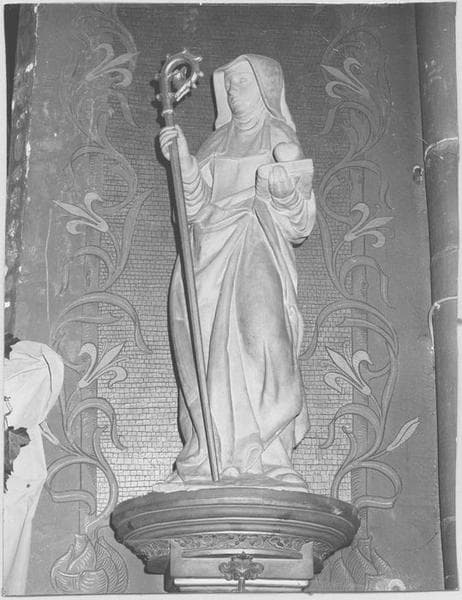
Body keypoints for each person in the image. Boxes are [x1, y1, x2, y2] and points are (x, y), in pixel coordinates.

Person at [159, 54, 316, 486]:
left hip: (256, 245)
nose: (233, 91)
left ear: (266, 87)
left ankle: (271, 457)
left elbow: (300, 222)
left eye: (243, 82)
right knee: (207, 351)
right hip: (206, 255)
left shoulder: (281, 139)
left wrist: (283, 190)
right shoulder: (217, 142)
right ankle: (210, 455)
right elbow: (193, 207)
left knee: (265, 339)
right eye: (229, 84)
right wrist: (184, 162)